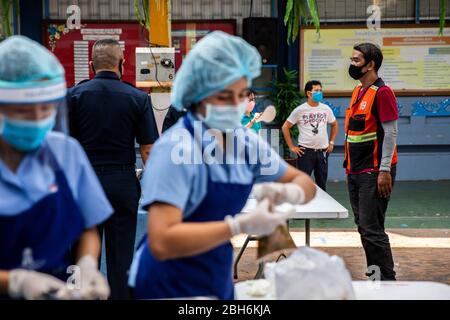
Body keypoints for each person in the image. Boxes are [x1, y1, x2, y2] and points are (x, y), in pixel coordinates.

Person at [127, 31, 317, 300]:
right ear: (199, 94)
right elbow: (162, 240)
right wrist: (238, 225)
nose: (235, 104)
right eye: (225, 95)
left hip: (214, 272)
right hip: (167, 283)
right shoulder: (175, 148)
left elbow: (305, 183)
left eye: (241, 95)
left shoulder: (244, 143)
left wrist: (288, 193)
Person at [0, 36, 112, 300]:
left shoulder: (66, 152)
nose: (38, 119)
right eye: (23, 111)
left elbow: (88, 227)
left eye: (46, 109)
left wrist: (86, 267)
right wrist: (13, 283)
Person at [67, 39, 159, 299]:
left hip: (85, 184)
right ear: (123, 63)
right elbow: (148, 150)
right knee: (122, 259)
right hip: (122, 182)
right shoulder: (138, 98)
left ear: (91, 65)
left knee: (83, 254)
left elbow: (65, 144)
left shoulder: (73, 95)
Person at [345, 43, 399, 280]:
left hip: (374, 171)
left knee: (372, 229)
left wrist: (384, 169)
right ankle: (375, 278)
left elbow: (391, 133)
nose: (352, 64)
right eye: (352, 59)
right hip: (355, 170)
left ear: (370, 65)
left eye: (356, 60)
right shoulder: (358, 92)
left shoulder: (383, 93)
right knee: (364, 228)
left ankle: (387, 283)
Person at [281, 80, 338, 191]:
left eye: (321, 90)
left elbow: (335, 124)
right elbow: (285, 127)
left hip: (323, 152)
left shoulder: (325, 109)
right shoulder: (300, 110)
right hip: (306, 152)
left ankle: (321, 206)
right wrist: (292, 146)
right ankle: (302, 207)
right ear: (308, 93)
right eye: (316, 90)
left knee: (321, 183)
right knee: (303, 183)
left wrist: (331, 142)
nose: (319, 93)